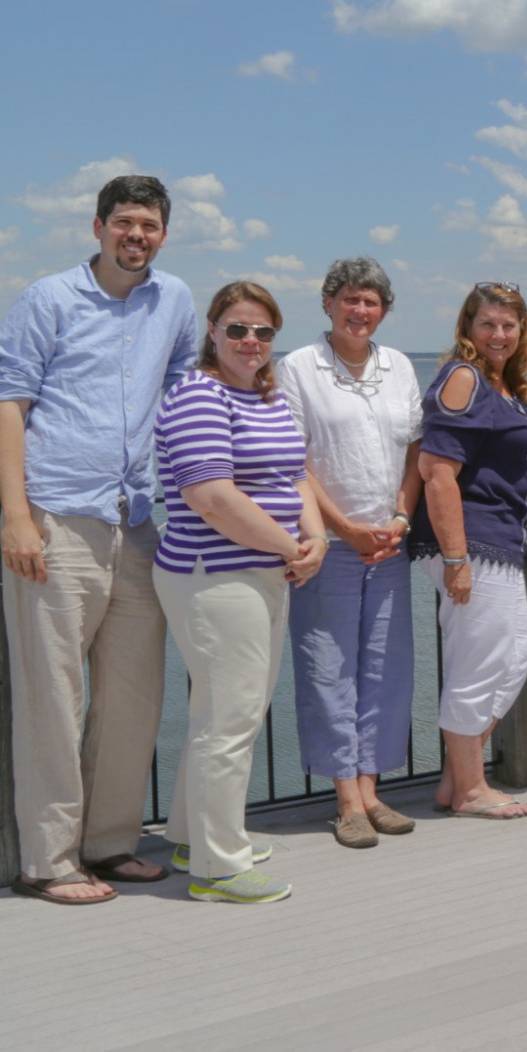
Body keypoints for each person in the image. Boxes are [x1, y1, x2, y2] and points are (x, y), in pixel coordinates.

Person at [1, 175, 197, 904]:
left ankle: (110, 842)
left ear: (163, 234)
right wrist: (15, 516)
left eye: (148, 224)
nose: (135, 235)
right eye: (123, 222)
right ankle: (49, 860)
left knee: (133, 695)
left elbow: (181, 399)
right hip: (56, 517)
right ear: (97, 227)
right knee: (53, 696)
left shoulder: (174, 300)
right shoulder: (48, 299)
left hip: (137, 522)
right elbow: (9, 402)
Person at [153, 281, 324, 902]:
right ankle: (218, 869)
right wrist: (289, 546)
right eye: (237, 330)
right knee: (230, 721)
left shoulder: (265, 395)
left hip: (261, 573)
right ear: (212, 330)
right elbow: (211, 496)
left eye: (263, 332)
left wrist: (317, 537)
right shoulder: (199, 396)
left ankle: (189, 836)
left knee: (218, 714)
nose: (251, 342)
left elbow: (296, 474)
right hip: (215, 575)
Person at [275, 257, 422, 848]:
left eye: (371, 301)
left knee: (385, 668)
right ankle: (345, 798)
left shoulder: (401, 367)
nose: (360, 311)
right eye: (350, 299)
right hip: (328, 545)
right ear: (328, 302)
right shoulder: (298, 368)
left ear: (384, 309)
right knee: (328, 668)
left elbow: (415, 453)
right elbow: (294, 463)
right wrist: (345, 528)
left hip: (389, 545)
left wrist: (401, 517)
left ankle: (371, 786)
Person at [411, 282, 527, 820]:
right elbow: (437, 474)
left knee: (514, 660)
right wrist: (457, 560)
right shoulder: (463, 378)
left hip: (502, 544)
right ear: (467, 328)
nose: (499, 334)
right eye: (487, 323)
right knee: (478, 665)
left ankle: (454, 777)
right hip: (475, 544)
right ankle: (469, 788)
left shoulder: (503, 385)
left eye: (509, 325)